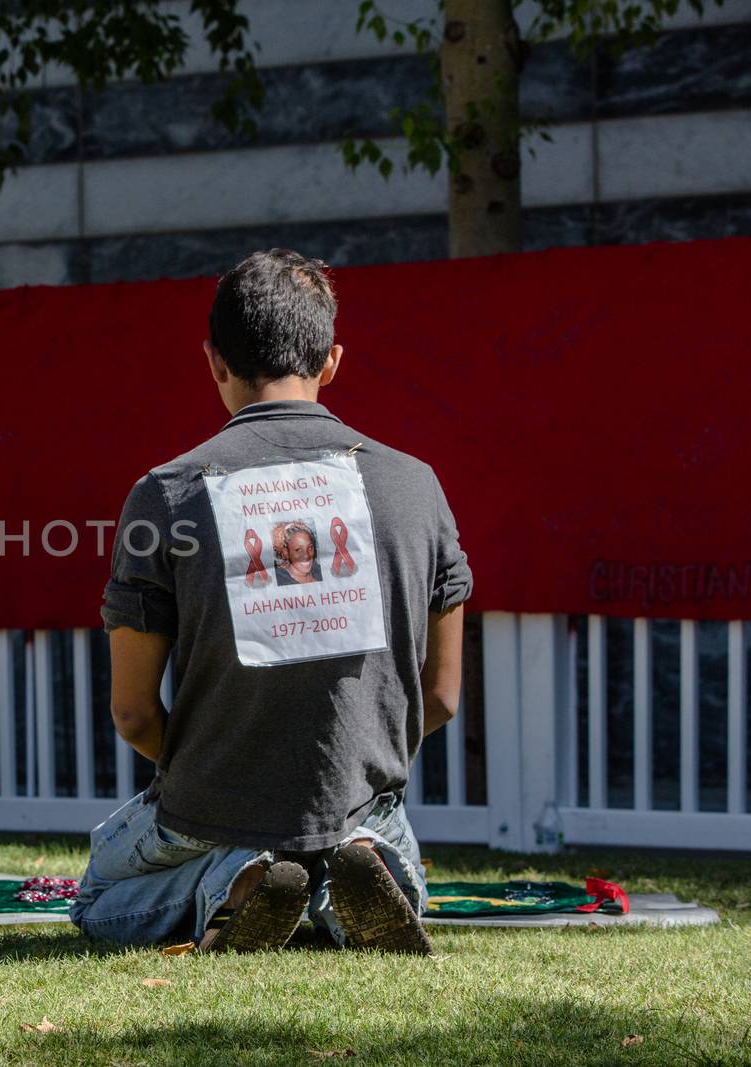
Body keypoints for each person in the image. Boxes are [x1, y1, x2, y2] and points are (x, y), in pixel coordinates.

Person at [70, 249, 471, 955]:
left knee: (99, 899)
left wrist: (230, 773)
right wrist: (346, 766)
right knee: (362, 840)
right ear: (333, 361)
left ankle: (231, 882)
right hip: (359, 798)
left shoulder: (164, 495)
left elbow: (133, 714)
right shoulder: (417, 487)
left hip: (211, 802)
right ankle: (361, 877)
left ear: (215, 361)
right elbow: (440, 696)